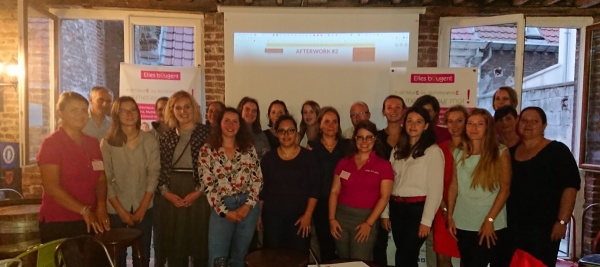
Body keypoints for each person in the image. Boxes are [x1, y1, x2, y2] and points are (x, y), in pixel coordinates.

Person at [507, 106, 580, 267]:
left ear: (544, 125)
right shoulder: (510, 152)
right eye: (525, 120)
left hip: (544, 229)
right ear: (518, 123)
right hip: (513, 227)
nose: (528, 124)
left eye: (535, 121)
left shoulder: (558, 151)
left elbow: (570, 188)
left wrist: (562, 222)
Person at [37, 91, 110, 243]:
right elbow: (51, 187)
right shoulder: (52, 144)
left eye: (84, 110)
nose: (81, 114)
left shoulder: (92, 143)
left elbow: (101, 179)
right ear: (60, 112)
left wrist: (101, 205)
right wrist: (83, 210)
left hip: (90, 219)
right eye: (74, 110)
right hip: (60, 222)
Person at [447, 108, 511, 267]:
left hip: (491, 223)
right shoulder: (458, 152)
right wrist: (450, 216)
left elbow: (505, 190)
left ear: (488, 127)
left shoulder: (500, 152)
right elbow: (454, 186)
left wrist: (490, 220)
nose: (474, 128)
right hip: (463, 222)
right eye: (470, 123)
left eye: (480, 124)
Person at [382, 106, 444, 267]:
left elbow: (436, 191)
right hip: (396, 208)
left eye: (418, 122)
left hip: (417, 211)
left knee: (404, 257)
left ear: (426, 126)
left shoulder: (433, 152)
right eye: (409, 121)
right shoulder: (397, 149)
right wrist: (385, 213)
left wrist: (426, 221)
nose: (413, 125)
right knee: (405, 255)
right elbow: (389, 183)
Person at [100, 96, 159, 267]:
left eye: (133, 109)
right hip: (116, 209)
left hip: (144, 207)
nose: (129, 114)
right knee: (117, 258)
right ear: (116, 115)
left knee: (143, 256)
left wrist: (142, 208)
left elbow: (153, 175)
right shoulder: (108, 142)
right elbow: (106, 179)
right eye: (124, 111)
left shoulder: (149, 140)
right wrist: (121, 212)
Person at [200, 107, 263, 267]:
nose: (231, 124)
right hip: (222, 207)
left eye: (235, 121)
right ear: (219, 124)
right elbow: (208, 184)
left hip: (247, 206)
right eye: (226, 120)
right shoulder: (207, 150)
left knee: (240, 256)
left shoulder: (248, 149)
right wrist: (224, 212)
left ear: (240, 126)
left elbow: (257, 179)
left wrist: (248, 205)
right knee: (217, 257)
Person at [156, 90, 211, 267]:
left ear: (194, 108)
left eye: (187, 106)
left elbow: (212, 168)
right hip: (172, 191)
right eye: (178, 108)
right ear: (171, 111)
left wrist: (199, 191)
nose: (183, 111)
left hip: (198, 191)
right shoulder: (166, 136)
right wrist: (166, 193)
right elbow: (161, 168)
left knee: (198, 241)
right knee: (175, 243)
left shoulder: (207, 134)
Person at [329, 120, 393, 261]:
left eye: (368, 137)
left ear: (375, 139)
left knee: (360, 261)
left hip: (365, 219)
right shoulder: (344, 162)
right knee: (342, 260)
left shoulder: (384, 165)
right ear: (355, 139)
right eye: (360, 137)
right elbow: (334, 191)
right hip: (341, 218)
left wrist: (369, 223)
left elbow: (384, 197)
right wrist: (332, 219)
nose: (364, 141)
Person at [259, 115, 318, 252]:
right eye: (282, 131)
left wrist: (308, 215)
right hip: (272, 219)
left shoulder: (308, 158)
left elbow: (314, 189)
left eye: (290, 130)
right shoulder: (269, 159)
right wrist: (259, 216)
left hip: (300, 219)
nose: (286, 135)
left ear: (296, 132)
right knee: (273, 259)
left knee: (297, 259)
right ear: (277, 134)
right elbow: (263, 190)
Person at [308, 106, 350, 262]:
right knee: (326, 245)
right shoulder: (312, 147)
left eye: (334, 121)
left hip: (344, 203)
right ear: (320, 125)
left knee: (344, 247)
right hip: (320, 204)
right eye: (327, 121)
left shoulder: (347, 146)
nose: (331, 125)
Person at [433, 105, 467, 267]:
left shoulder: (474, 148)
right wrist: (445, 210)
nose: (454, 126)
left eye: (459, 121)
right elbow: (433, 183)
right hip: (443, 209)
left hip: (469, 210)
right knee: (442, 258)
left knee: (468, 257)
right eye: (450, 121)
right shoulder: (439, 149)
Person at [374, 94, 405, 266]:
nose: (393, 111)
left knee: (405, 248)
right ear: (383, 112)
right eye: (389, 107)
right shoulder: (375, 138)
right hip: (379, 198)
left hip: (404, 198)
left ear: (403, 111)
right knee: (379, 246)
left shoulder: (412, 136)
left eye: (397, 107)